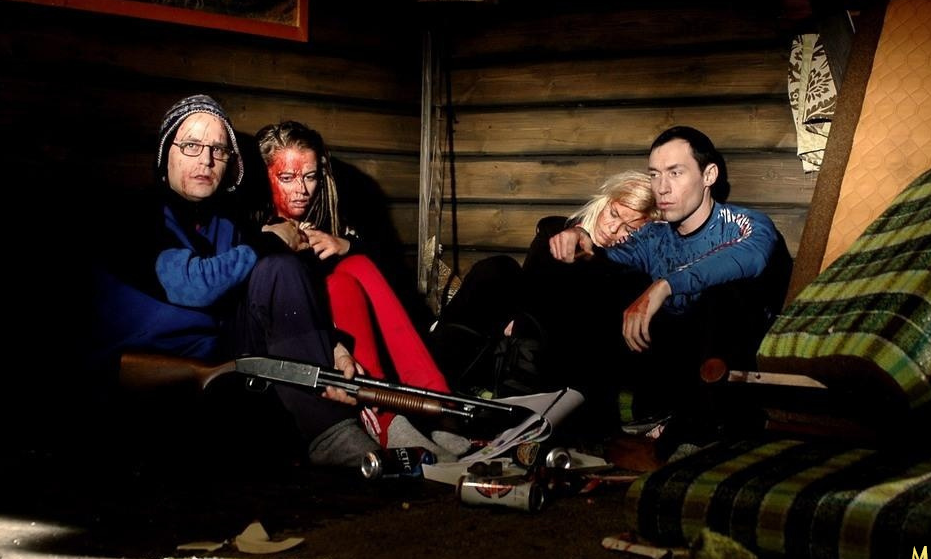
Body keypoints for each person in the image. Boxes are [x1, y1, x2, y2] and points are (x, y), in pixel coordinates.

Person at [92, 95, 380, 468]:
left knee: (280, 269)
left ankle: (330, 432)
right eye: (192, 145)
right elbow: (191, 284)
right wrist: (269, 241)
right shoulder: (135, 214)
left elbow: (265, 292)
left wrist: (333, 347)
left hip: (220, 360)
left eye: (218, 150)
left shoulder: (226, 223)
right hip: (144, 373)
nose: (206, 160)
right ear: (166, 154)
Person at [550, 125, 793, 444]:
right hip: (668, 360)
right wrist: (580, 238)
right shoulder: (652, 236)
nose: (662, 188)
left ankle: (702, 428)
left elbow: (753, 257)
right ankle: (573, 420)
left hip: (727, 359)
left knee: (724, 293)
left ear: (709, 176)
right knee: (590, 275)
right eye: (655, 175)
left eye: (675, 173)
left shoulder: (744, 223)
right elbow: (605, 265)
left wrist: (666, 285)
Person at [255, 120, 452, 450]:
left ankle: (436, 403)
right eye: (287, 178)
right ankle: (388, 417)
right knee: (339, 284)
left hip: (348, 333)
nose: (301, 189)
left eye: (310, 176)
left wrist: (346, 245)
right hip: (298, 343)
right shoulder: (256, 230)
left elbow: (391, 273)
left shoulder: (325, 220)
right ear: (265, 176)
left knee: (355, 266)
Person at [431, 171, 660, 428]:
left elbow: (597, 305)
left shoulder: (636, 273)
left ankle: (510, 398)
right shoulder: (557, 231)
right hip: (510, 341)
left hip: (563, 361)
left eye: (629, 229)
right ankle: (432, 373)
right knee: (497, 269)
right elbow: (534, 275)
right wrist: (574, 233)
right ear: (604, 203)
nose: (612, 228)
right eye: (613, 214)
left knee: (570, 283)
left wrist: (589, 252)